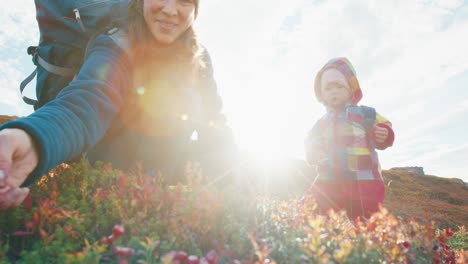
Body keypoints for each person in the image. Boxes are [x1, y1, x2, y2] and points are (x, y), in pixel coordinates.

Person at [0, 0, 235, 210]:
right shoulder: (117, 43)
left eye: (184, 1)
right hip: (109, 182)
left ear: (195, 9)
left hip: (168, 180)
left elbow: (215, 124)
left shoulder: (200, 58)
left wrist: (229, 185)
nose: (171, 9)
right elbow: (85, 104)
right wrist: (31, 140)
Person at [304, 57, 394, 220]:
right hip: (329, 180)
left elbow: (385, 126)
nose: (334, 91)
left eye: (339, 86)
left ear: (351, 88)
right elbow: (310, 141)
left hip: (364, 182)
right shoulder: (321, 124)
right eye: (328, 88)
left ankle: (368, 242)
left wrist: (385, 133)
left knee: (366, 220)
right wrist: (313, 152)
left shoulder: (366, 114)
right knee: (317, 215)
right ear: (321, 94)